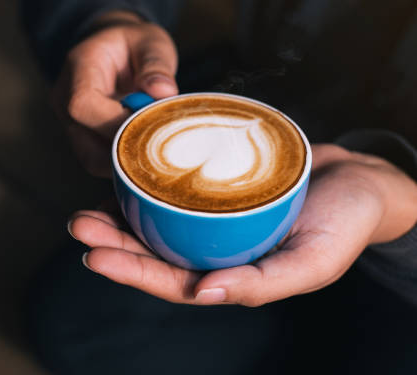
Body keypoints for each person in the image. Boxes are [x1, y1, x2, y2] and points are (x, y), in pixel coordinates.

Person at [21, 1, 417, 374]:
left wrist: (396, 204)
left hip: (401, 286)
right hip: (246, 101)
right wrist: (107, 18)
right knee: (69, 325)